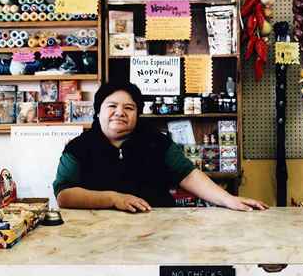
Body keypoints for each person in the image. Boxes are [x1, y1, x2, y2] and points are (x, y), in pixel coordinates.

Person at [53, 82, 268, 212]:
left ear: (137, 114)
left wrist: (228, 200)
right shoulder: (78, 147)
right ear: (98, 111)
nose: (120, 112)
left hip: (156, 230)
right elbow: (64, 195)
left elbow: (189, 175)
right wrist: (113, 199)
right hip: (95, 233)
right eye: (112, 106)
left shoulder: (156, 141)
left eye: (129, 108)